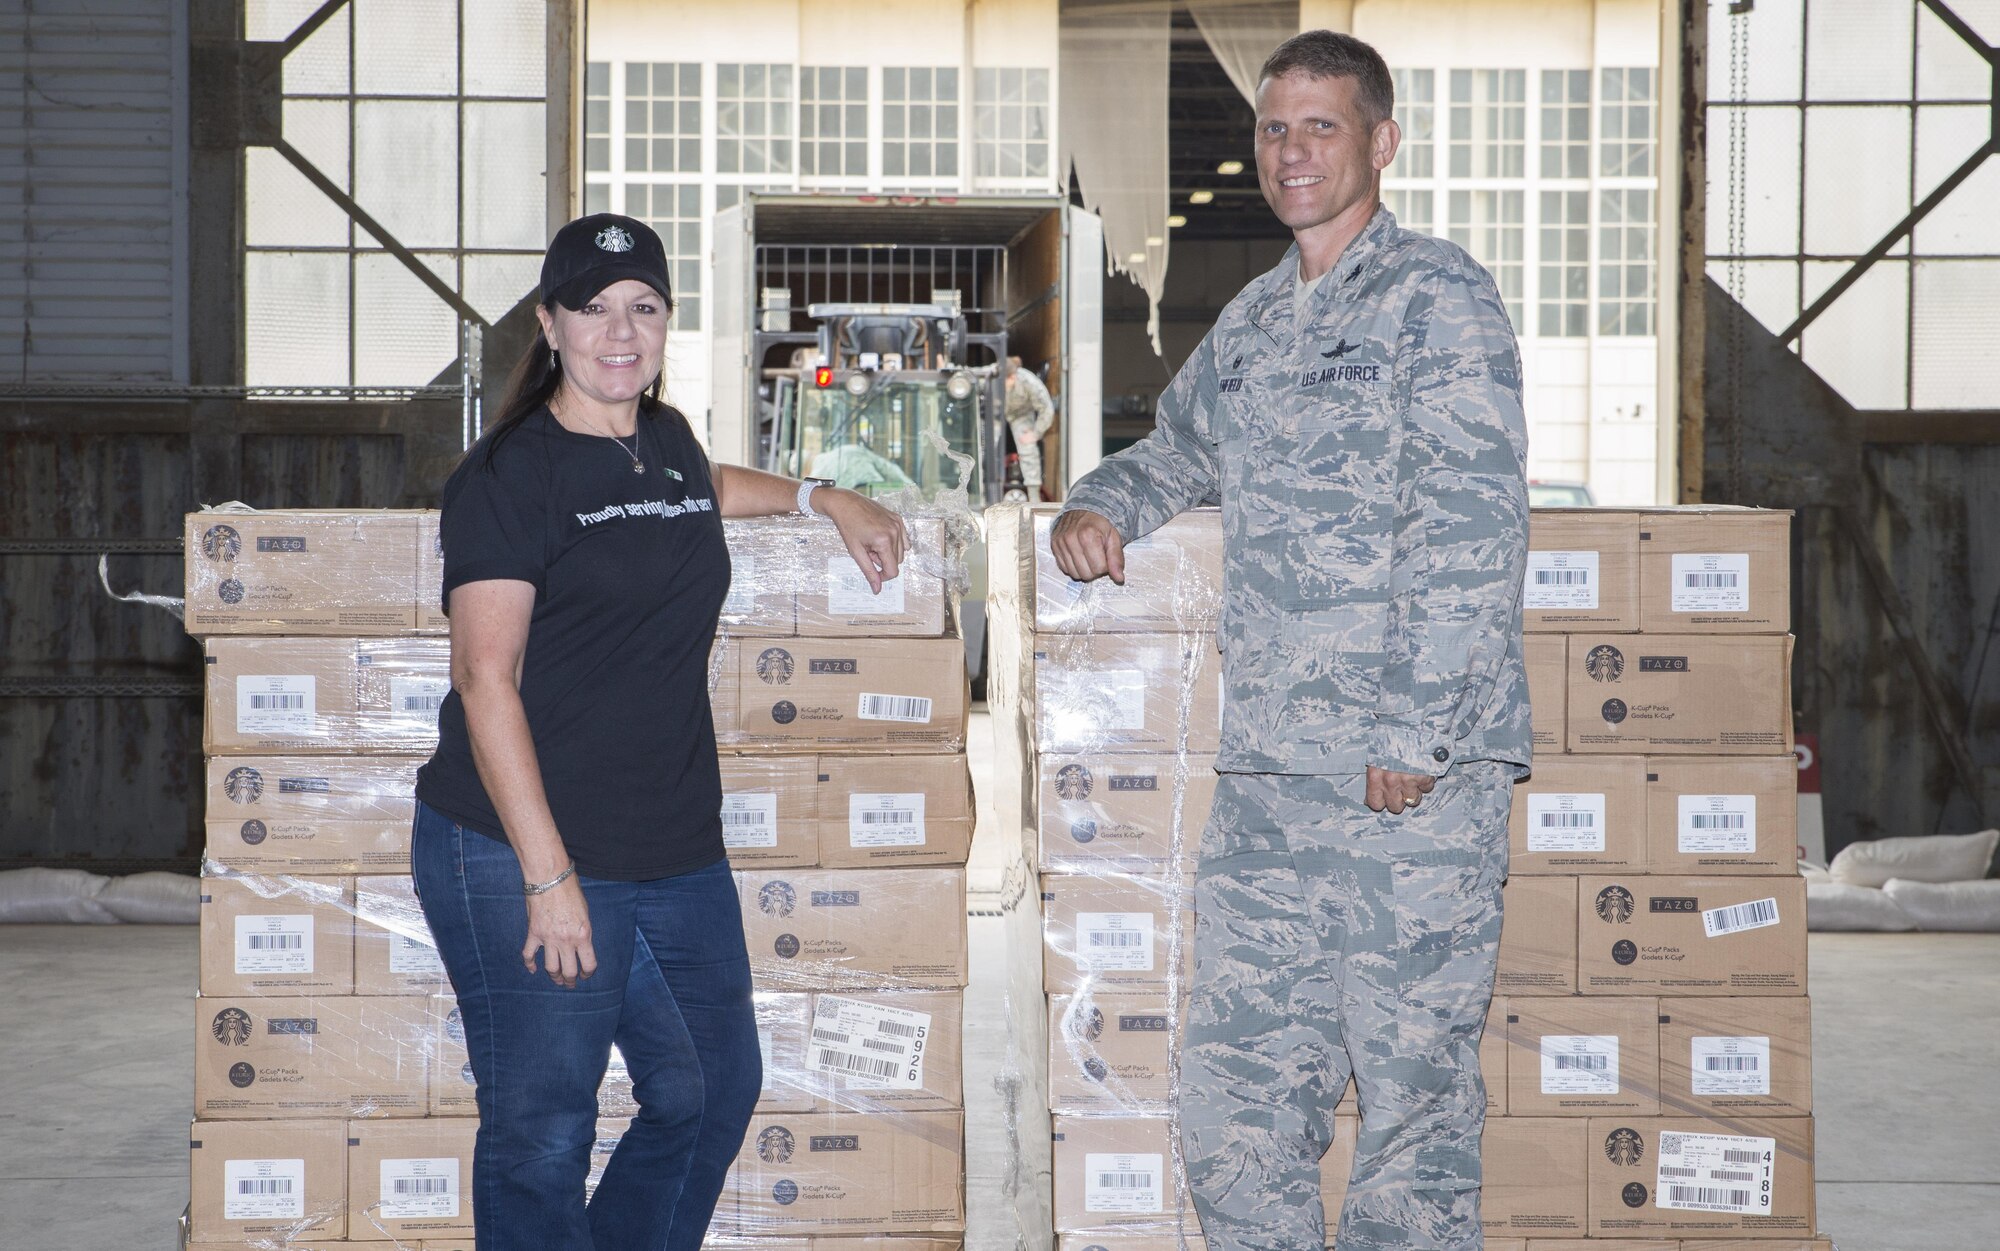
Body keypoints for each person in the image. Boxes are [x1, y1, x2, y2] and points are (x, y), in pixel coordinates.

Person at [1050, 31, 1529, 1251]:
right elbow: (1179, 446)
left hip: (1405, 787)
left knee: (1412, 1113)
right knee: (1236, 1109)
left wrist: (1416, 729)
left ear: (1380, 143)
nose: (1291, 151)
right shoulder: (1258, 321)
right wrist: (1104, 501)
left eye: (1321, 126)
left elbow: (1471, 520)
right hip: (1269, 779)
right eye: (1274, 128)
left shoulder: (1437, 296)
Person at [411, 213, 907, 1251]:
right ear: (549, 325)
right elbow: (483, 678)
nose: (619, 329)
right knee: (543, 1128)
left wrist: (825, 496)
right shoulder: (507, 477)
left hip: (672, 844)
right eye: (592, 308)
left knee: (708, 1087)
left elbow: (706, 491)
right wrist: (550, 881)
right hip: (519, 849)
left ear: (666, 321)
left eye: (642, 306)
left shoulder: (666, 443)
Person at [1003, 355, 1056, 499]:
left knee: (1028, 447)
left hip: (1020, 414)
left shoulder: (1029, 382)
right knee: (984, 447)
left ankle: (1033, 497)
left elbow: (1046, 408)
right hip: (994, 413)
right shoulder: (992, 375)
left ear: (1012, 377)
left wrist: (1036, 433)